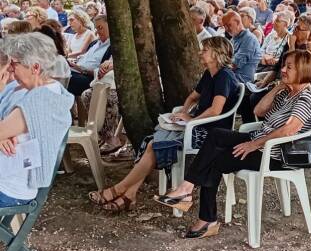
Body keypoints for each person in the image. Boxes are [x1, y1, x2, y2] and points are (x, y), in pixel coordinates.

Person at [155, 50, 311, 238]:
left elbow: (289, 130)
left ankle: (205, 216)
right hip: (260, 140)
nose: (283, 69)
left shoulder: (306, 97)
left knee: (215, 159)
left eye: (289, 67)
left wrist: (254, 144)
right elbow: (259, 111)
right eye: (283, 65)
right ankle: (187, 190)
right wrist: (277, 87)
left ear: (303, 69)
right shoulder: (288, 92)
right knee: (217, 135)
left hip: (276, 153)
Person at [90, 37, 241, 212]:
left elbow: (216, 110)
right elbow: (193, 97)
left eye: (205, 50)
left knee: (154, 145)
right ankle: (128, 194)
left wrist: (190, 120)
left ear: (217, 53)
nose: (200, 52)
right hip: (197, 126)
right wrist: (182, 112)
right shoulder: (210, 73)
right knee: (153, 144)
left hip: (210, 133)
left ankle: (121, 190)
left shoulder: (224, 76)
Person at [0, 34, 75, 208]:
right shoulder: (18, 87)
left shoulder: (42, 100)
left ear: (35, 67)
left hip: (9, 187)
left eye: (14, 63)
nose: (9, 69)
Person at [67, 15, 111, 98]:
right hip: (77, 70)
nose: (97, 32)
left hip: (90, 78)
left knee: (63, 77)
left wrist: (82, 69)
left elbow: (101, 72)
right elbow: (83, 58)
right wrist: (74, 63)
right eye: (96, 28)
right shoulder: (94, 43)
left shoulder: (111, 48)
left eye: (100, 28)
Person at [222, 10, 261, 84]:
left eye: (229, 25)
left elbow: (234, 64)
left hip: (241, 81)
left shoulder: (249, 39)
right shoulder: (234, 38)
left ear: (237, 22)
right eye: (224, 26)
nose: (226, 29)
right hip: (230, 76)